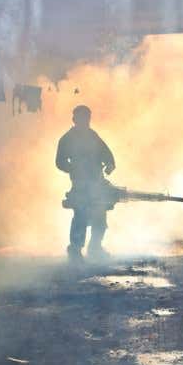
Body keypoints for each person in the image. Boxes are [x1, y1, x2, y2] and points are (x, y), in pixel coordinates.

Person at [55, 105, 116, 262]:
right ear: (74, 119)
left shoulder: (93, 135)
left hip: (97, 182)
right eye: (82, 118)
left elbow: (107, 154)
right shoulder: (67, 139)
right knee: (81, 215)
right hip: (80, 185)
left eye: (87, 118)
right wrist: (74, 169)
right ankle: (75, 251)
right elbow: (60, 162)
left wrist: (110, 164)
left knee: (100, 214)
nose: (85, 121)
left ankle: (95, 248)